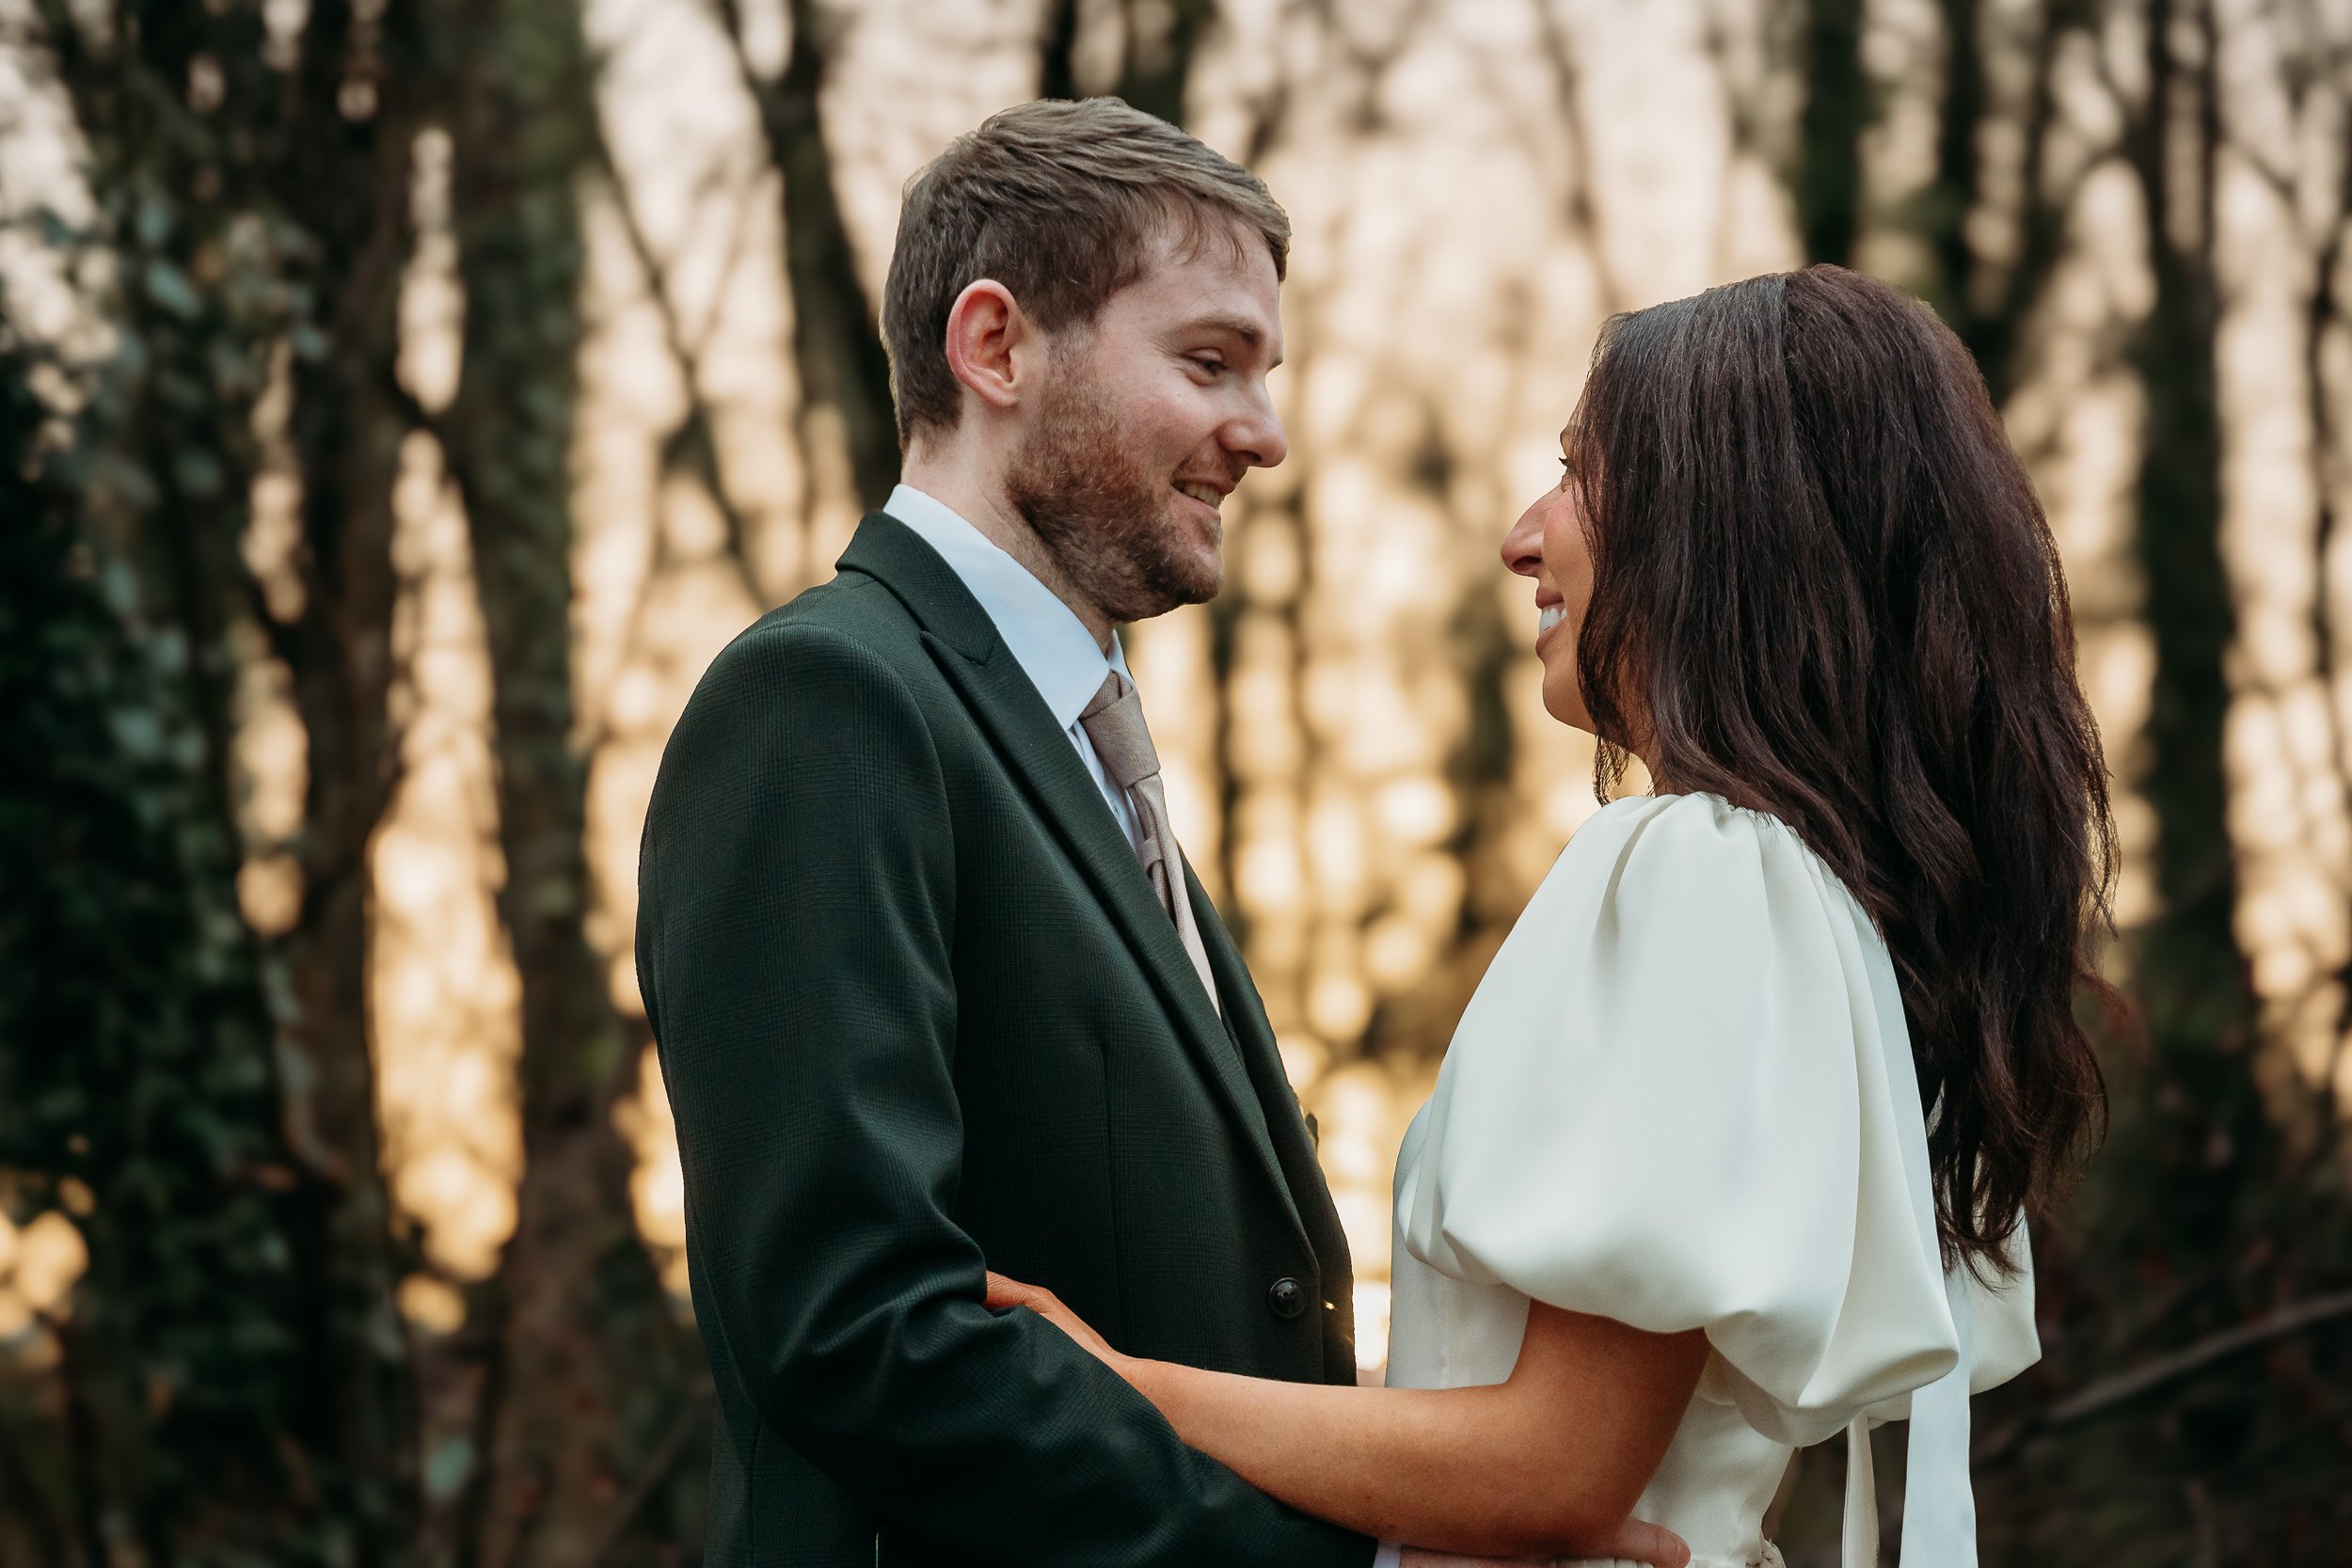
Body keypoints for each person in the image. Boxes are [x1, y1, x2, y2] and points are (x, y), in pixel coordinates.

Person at [635, 97, 1682, 1568]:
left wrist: (1470, 1502)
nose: (1260, 435)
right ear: (995, 347)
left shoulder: (1080, 752)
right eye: (1209, 364)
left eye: (1264, 374)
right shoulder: (827, 702)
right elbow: (864, 1340)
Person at [988, 264, 2121, 1568]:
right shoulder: (1807, 897)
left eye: (1581, 473)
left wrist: (1114, 1387)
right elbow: (1535, 1447)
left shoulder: (1700, 869)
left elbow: (1551, 1467)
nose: (1527, 534)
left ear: (1728, 521)